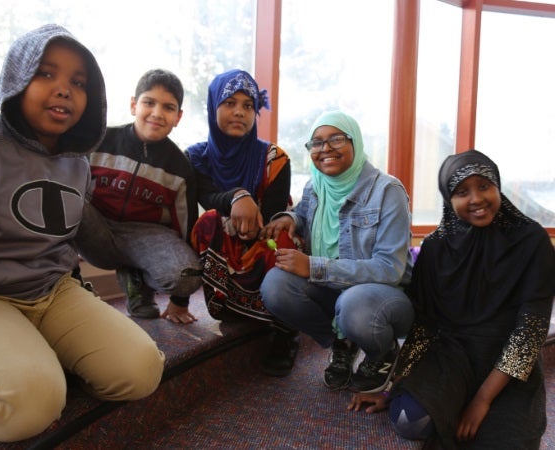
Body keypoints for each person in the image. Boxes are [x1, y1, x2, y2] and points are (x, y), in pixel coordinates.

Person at [0, 24, 165, 442]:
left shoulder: (78, 163)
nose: (64, 89)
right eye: (46, 73)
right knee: (25, 406)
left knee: (141, 371)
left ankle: (27, 354)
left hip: (52, 292)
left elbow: (85, 238)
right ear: (16, 78)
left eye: (78, 82)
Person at [348, 150, 555, 449]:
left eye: (484, 186)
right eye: (461, 191)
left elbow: (529, 332)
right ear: (448, 197)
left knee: (507, 441)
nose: (476, 199)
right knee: (410, 420)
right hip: (452, 354)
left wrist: (483, 399)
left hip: (507, 360)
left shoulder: (530, 240)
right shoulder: (435, 248)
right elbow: (424, 326)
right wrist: (394, 387)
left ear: (497, 187)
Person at [259, 110, 414, 392]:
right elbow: (306, 215)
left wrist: (314, 267)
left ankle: (383, 352)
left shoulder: (387, 191)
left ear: (355, 142)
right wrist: (290, 218)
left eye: (336, 139)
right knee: (275, 285)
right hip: (334, 290)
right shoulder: (316, 186)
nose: (325, 149)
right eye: (316, 143)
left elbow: (390, 269)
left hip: (381, 297)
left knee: (354, 304)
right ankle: (341, 345)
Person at [186, 69, 301, 377]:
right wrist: (238, 196)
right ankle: (229, 305)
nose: (239, 112)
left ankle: (285, 332)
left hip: (265, 242)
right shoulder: (196, 157)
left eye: (248, 105)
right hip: (228, 245)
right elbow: (208, 197)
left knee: (284, 239)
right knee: (207, 223)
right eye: (229, 102)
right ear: (213, 107)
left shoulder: (275, 159)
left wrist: (256, 221)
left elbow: (274, 216)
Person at [75, 68, 201, 323]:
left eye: (168, 107)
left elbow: (187, 229)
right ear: (134, 105)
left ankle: (137, 281)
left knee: (188, 276)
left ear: (178, 117)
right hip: (96, 230)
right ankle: (69, 283)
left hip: (146, 236)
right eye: (149, 102)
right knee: (67, 200)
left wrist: (180, 300)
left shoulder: (180, 168)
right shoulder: (99, 141)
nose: (157, 113)